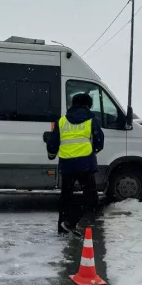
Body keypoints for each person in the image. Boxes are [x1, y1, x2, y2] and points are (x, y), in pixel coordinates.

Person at [46, 92, 104, 237]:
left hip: (67, 164)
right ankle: (70, 222)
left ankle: (61, 228)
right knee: (90, 198)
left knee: (66, 196)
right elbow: (99, 141)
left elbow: (53, 143)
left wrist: (52, 154)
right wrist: (93, 151)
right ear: (87, 105)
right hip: (85, 164)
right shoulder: (92, 120)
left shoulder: (62, 121)